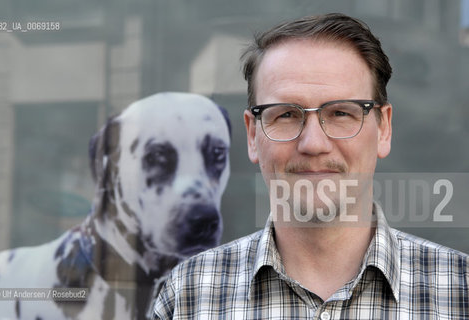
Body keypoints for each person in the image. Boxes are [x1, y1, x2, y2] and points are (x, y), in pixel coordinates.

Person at [150, 13, 468, 319]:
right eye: (286, 114)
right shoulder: (189, 296)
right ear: (252, 134)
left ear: (383, 129)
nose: (313, 143)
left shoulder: (459, 293)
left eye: (342, 113)